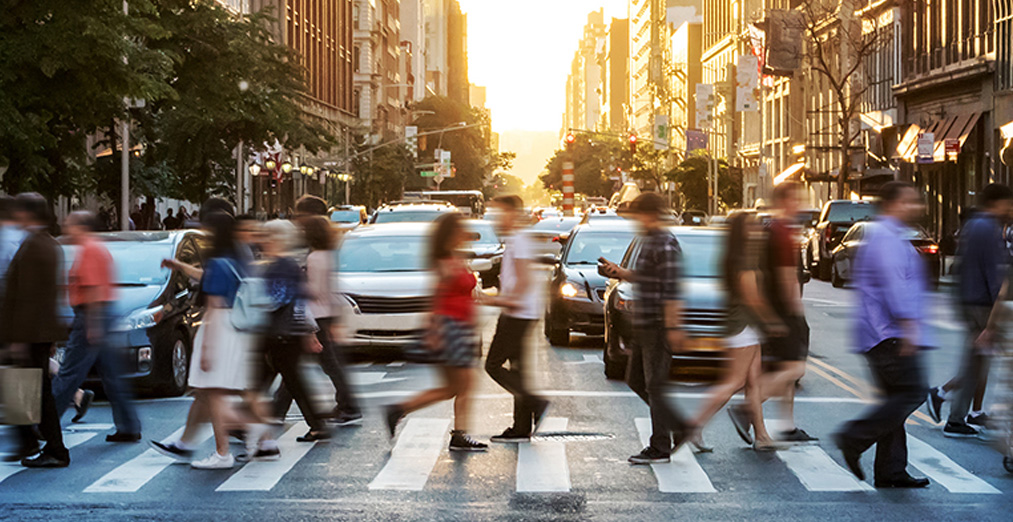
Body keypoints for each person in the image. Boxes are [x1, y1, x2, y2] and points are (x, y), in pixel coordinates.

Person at [834, 181, 931, 488]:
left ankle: (890, 470)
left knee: (895, 399)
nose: (914, 207)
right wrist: (909, 327)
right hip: (888, 334)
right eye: (908, 202)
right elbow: (894, 287)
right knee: (913, 392)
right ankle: (854, 437)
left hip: (881, 333)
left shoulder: (889, 235)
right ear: (891, 204)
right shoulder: (886, 238)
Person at [150, 211, 253, 469]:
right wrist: (179, 266)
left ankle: (224, 452)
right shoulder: (234, 259)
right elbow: (206, 277)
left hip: (218, 327)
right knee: (204, 391)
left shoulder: (219, 261)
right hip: (233, 327)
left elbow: (215, 304)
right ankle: (185, 443)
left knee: (214, 392)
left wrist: (207, 347)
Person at [599, 192, 690, 464]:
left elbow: (673, 287)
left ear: (649, 215)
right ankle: (677, 426)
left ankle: (660, 446)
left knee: (655, 385)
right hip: (645, 322)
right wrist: (620, 272)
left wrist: (673, 327)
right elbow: (648, 277)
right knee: (636, 380)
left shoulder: (665, 243)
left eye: (638, 215)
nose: (635, 221)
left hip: (659, 324)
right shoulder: (650, 241)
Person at [385, 213, 488, 452]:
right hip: (452, 327)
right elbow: (438, 296)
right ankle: (459, 435)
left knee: (454, 387)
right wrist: (435, 328)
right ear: (451, 233)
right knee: (464, 384)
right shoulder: (444, 260)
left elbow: (468, 292)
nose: (465, 233)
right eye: (460, 229)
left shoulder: (456, 256)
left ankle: (400, 409)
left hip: (461, 326)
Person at [691, 212, 787, 451]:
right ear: (741, 231)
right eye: (752, 225)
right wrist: (772, 321)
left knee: (753, 383)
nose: (757, 228)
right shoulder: (742, 260)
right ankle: (693, 425)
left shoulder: (741, 256)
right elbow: (752, 298)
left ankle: (762, 436)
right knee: (734, 381)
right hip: (742, 326)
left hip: (747, 326)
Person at [926, 183, 1013, 436]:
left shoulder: (975, 226)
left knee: (978, 361)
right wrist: (996, 315)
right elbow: (995, 275)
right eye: (1007, 204)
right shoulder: (988, 229)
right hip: (983, 306)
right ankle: (950, 409)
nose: (1010, 209)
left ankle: (954, 407)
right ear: (996, 203)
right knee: (978, 361)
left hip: (971, 301)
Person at [50, 211, 141, 442]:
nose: (65, 226)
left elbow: (92, 289)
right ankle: (129, 426)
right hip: (101, 315)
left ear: (81, 226)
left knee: (69, 373)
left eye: (70, 223)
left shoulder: (89, 250)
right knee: (112, 376)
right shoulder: (96, 248)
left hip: (91, 315)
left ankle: (45, 425)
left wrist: (92, 324)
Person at [1, 193, 68, 468]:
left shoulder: (33, 247)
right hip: (39, 330)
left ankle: (55, 448)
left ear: (29, 214)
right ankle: (30, 440)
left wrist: (16, 338)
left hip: (30, 331)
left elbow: (26, 297)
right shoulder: (51, 245)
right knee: (29, 388)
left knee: (38, 393)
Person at [253, 219, 328, 452]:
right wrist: (309, 330)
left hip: (280, 333)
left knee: (265, 382)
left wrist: (252, 302)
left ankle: (247, 421)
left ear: (277, 240)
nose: (262, 242)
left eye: (266, 237)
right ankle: (317, 424)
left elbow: (279, 299)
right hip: (286, 332)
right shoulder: (287, 265)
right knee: (283, 381)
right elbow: (300, 301)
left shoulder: (281, 266)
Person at [280, 215, 361, 425]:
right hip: (325, 314)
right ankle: (276, 409)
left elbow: (314, 291)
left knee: (321, 365)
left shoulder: (315, 258)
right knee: (296, 363)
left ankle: (349, 406)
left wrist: (297, 282)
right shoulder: (328, 255)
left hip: (315, 316)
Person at [484, 195, 549, 443]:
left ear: (512, 213)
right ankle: (521, 427)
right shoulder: (516, 239)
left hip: (517, 313)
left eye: (500, 213)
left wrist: (500, 301)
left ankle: (536, 402)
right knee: (518, 371)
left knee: (492, 365)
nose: (496, 219)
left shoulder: (519, 239)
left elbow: (524, 279)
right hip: (521, 312)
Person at [758, 182, 817, 443]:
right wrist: (793, 311)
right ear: (783, 202)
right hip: (785, 311)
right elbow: (785, 277)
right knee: (793, 368)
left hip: (774, 310)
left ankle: (787, 425)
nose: (800, 205)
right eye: (795, 200)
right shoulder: (781, 233)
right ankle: (747, 409)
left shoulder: (773, 230)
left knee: (786, 368)